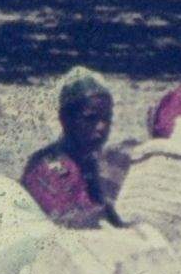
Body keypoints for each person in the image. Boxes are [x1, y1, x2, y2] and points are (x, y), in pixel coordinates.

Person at [22, 73, 122, 228]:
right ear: (65, 119)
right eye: (90, 118)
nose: (101, 127)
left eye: (107, 118)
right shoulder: (48, 168)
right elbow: (61, 226)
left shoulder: (86, 160)